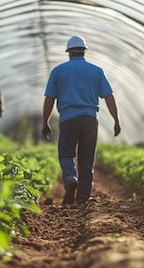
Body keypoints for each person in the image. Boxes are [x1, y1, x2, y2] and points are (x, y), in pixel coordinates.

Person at [42, 35, 121, 207]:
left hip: (68, 119)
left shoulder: (58, 71)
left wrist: (45, 122)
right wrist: (116, 120)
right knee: (86, 159)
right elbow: (109, 96)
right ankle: (83, 199)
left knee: (66, 154)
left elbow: (49, 99)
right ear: (84, 52)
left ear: (69, 53)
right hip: (90, 119)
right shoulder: (96, 71)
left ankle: (70, 178)